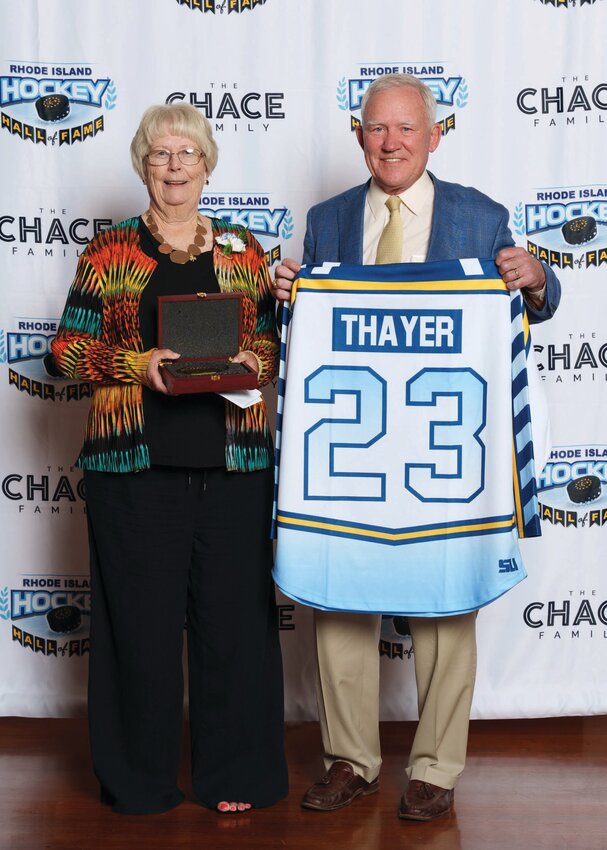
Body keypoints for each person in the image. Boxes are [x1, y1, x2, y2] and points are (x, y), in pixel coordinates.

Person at [272, 74, 560, 822]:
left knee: (444, 604)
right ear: (358, 136)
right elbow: (307, 330)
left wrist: (535, 278)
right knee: (337, 602)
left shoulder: (478, 215)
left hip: (442, 460)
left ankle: (433, 767)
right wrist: (287, 295)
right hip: (351, 458)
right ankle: (350, 759)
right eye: (376, 128)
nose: (391, 142)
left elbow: (533, 299)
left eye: (406, 129)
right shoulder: (327, 219)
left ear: (434, 136)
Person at [52, 103, 288, 815]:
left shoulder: (246, 251)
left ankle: (236, 777)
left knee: (236, 628)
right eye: (160, 153)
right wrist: (136, 363)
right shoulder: (110, 251)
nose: (175, 164)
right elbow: (64, 350)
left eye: (188, 152)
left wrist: (254, 356)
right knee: (138, 630)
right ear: (143, 165)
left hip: (233, 469)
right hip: (134, 470)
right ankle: (138, 780)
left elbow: (275, 346)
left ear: (208, 165)